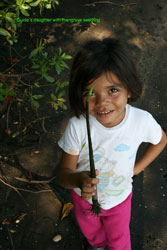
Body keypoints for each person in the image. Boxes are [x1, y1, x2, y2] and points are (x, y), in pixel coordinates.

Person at [58, 38, 167, 250]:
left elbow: (161, 140)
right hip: (83, 201)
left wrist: (135, 169)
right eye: (90, 93)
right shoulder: (78, 126)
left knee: (119, 241)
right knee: (93, 235)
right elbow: (63, 174)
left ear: (129, 89)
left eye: (113, 90)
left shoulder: (141, 121)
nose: (102, 102)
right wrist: (78, 180)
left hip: (120, 201)